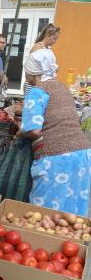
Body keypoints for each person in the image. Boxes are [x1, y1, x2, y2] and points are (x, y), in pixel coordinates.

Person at [21, 65, 90, 216]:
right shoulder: (62, 87)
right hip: (82, 154)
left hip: (56, 158)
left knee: (44, 216)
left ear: (33, 72)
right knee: (73, 217)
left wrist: (21, 131)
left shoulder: (36, 91)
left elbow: (33, 129)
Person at [23, 23, 60, 95]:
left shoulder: (46, 49)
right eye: (54, 38)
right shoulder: (38, 48)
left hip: (40, 85)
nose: (55, 41)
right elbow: (32, 70)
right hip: (34, 85)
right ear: (48, 35)